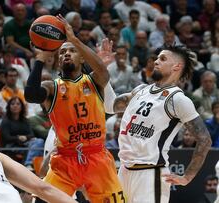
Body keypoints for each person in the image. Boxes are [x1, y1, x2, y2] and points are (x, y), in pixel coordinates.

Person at [24, 15, 124, 202]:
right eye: (62, 53)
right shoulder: (51, 87)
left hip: (97, 157)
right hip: (65, 160)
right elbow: (30, 95)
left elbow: (103, 71)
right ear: (58, 60)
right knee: (42, 199)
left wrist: (73, 39)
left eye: (72, 51)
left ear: (81, 58)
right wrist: (40, 59)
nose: (66, 54)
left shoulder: (94, 81)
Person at [113, 45, 212, 202]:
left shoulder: (178, 99)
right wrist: (101, 69)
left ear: (177, 66)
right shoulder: (140, 90)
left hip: (150, 175)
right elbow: (110, 105)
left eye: (163, 58)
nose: (156, 61)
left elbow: (205, 139)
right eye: (157, 58)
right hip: (123, 171)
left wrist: (187, 177)